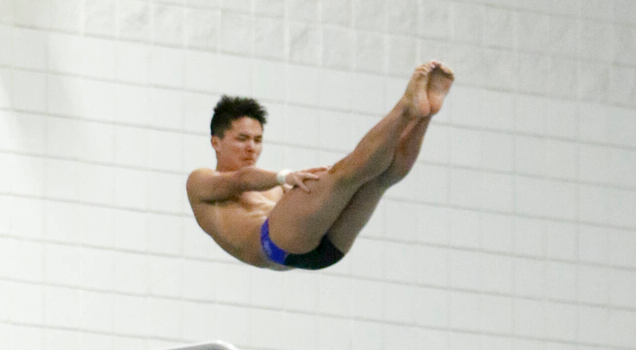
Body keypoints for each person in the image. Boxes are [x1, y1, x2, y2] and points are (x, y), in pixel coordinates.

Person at [186, 61, 454, 272]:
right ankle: (406, 108)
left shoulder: (275, 189)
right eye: (241, 139)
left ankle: (425, 114)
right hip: (274, 247)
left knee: (377, 179)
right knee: (344, 174)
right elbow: (240, 180)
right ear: (216, 142)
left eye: (257, 140)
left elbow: (277, 192)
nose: (251, 147)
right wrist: (287, 176)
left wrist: (310, 184)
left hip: (324, 251)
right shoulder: (200, 181)